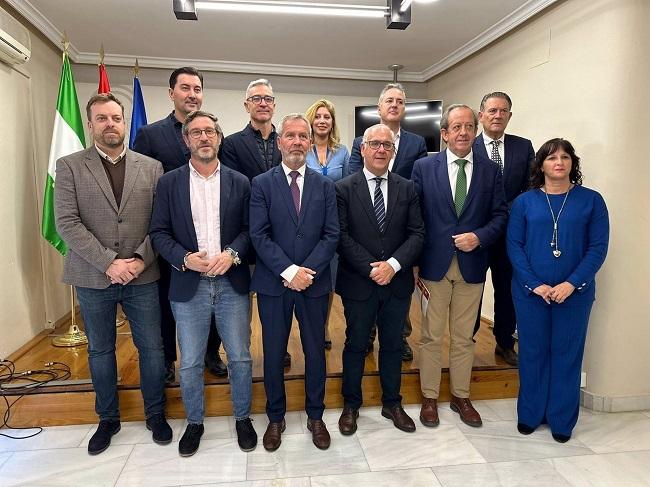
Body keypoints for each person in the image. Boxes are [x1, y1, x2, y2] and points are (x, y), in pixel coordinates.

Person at [54, 93, 171, 455]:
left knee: (152, 349)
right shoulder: (70, 165)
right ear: (90, 125)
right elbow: (67, 224)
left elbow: (161, 222)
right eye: (102, 119)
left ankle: (155, 414)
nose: (110, 124)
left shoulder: (151, 167)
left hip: (143, 273)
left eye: (116, 118)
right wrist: (108, 261)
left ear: (124, 122)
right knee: (101, 350)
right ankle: (108, 418)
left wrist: (138, 258)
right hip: (93, 276)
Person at [149, 111, 256, 456]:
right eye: (196, 132)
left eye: (210, 131)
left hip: (232, 283)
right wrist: (184, 258)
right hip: (187, 285)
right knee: (191, 360)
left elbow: (250, 230)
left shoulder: (241, 182)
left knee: (239, 356)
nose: (204, 137)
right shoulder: (169, 183)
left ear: (219, 137)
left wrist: (234, 254)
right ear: (186, 140)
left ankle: (243, 417)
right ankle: (194, 422)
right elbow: (159, 233)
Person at [507, 138, 609, 443]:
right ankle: (530, 414)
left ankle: (562, 420)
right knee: (532, 352)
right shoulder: (524, 202)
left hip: (574, 295)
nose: (559, 163)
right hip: (530, 293)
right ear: (541, 165)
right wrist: (535, 284)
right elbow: (514, 246)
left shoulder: (591, 200)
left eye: (565, 157)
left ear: (573, 164)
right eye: (552, 158)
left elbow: (597, 248)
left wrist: (570, 284)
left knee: (567, 355)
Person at [412, 104, 507, 429]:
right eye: (456, 127)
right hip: (432, 266)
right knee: (431, 336)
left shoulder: (491, 171)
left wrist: (479, 237)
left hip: (472, 266)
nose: (463, 132)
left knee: (465, 337)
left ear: (475, 129)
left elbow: (500, 215)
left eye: (469, 126)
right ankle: (428, 397)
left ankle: (460, 396)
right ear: (444, 133)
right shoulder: (424, 168)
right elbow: (415, 217)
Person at [249, 114, 339, 451]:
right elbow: (259, 235)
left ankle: (316, 415)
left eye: (303, 136)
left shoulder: (325, 186)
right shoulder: (261, 184)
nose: (298, 141)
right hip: (275, 284)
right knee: (273, 353)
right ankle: (276, 417)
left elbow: (331, 236)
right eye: (291, 135)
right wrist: (289, 271)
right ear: (280, 142)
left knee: (316, 351)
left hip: (314, 285)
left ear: (309, 142)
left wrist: (306, 272)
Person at [134, 67, 227, 382]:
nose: (192, 94)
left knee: (214, 298)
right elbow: (140, 185)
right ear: (171, 92)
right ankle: (168, 360)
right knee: (167, 302)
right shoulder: (151, 134)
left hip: (210, 234)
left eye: (197, 88)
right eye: (185, 87)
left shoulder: (211, 131)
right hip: (170, 239)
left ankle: (210, 353)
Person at [336, 124, 424, 435]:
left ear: (393, 151)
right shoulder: (344, 189)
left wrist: (394, 265)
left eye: (387, 145)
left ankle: (392, 403)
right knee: (356, 344)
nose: (380, 150)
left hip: (397, 282)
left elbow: (417, 233)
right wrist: (372, 268)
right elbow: (341, 236)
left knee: (392, 345)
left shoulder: (407, 187)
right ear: (362, 149)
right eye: (374, 143)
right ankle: (351, 404)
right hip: (359, 282)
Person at [349, 83, 428, 361]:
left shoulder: (417, 143)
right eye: (389, 101)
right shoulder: (361, 140)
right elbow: (352, 180)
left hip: (400, 226)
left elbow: (418, 184)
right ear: (379, 106)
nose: (394, 105)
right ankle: (368, 333)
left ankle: (399, 338)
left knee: (398, 297)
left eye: (400, 101)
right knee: (362, 311)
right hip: (365, 228)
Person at [219, 78, 291, 367]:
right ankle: (243, 353)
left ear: (274, 105)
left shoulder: (287, 140)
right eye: (256, 98)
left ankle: (279, 347)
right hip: (248, 234)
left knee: (278, 300)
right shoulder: (232, 144)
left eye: (268, 99)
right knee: (243, 300)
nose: (263, 103)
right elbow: (235, 189)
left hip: (283, 236)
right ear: (246, 105)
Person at [472, 91, 535, 366]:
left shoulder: (524, 147)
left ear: (510, 115)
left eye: (503, 111)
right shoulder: (467, 147)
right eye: (492, 110)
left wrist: (505, 213)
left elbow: (532, 187)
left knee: (507, 290)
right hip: (476, 235)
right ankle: (466, 340)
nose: (498, 115)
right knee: (472, 289)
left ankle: (504, 342)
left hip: (510, 234)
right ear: (481, 115)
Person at [305, 99, 350, 349]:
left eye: (327, 117)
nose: (323, 121)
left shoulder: (342, 151)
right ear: (311, 120)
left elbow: (346, 188)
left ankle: (321, 325)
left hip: (332, 224)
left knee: (328, 278)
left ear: (332, 122)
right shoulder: (302, 147)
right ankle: (305, 324)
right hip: (306, 222)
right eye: (318, 116)